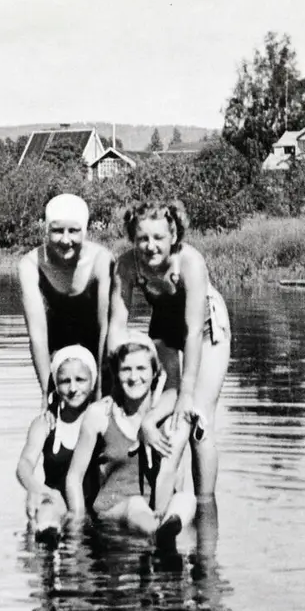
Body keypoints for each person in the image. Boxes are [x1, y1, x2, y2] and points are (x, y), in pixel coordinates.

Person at [108, 200, 230, 503]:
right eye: (142, 239)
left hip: (204, 326)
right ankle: (171, 499)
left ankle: (204, 505)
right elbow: (116, 327)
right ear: (132, 238)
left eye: (158, 238)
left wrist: (187, 392)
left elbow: (192, 330)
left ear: (173, 235)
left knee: (196, 414)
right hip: (164, 320)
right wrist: (115, 387)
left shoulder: (189, 262)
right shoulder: (126, 264)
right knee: (164, 414)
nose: (150, 246)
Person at [65, 332, 195, 543]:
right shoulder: (100, 415)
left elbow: (169, 474)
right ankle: (159, 538)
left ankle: (163, 530)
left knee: (186, 499)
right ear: (117, 373)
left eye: (141, 369)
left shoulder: (171, 418)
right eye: (126, 369)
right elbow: (74, 477)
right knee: (135, 504)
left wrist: (161, 511)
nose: (134, 378)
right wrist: (78, 523)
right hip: (115, 508)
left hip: (157, 509)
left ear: (155, 373)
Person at [18, 193, 114, 422]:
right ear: (46, 230)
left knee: (101, 417)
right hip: (56, 349)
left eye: (74, 231)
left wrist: (101, 388)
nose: (65, 240)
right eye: (57, 231)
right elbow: (38, 336)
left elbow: (106, 330)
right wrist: (46, 393)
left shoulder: (102, 260)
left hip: (98, 347)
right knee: (56, 419)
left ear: (86, 231)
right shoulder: (30, 265)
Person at [16, 345, 99, 544]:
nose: (72, 389)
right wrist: (35, 488)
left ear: (93, 382)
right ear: (55, 384)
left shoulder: (102, 418)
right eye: (64, 381)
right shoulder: (46, 423)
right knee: (46, 508)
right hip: (57, 502)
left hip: (96, 505)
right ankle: (47, 538)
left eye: (80, 380)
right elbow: (24, 464)